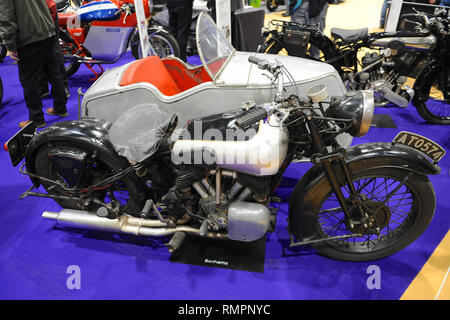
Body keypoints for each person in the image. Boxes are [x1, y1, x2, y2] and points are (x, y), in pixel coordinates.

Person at [0, 0, 68, 128]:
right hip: (47, 31)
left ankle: (36, 119)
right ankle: (61, 108)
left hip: (29, 38)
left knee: (29, 80)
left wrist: (10, 45)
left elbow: (6, 19)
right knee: (54, 72)